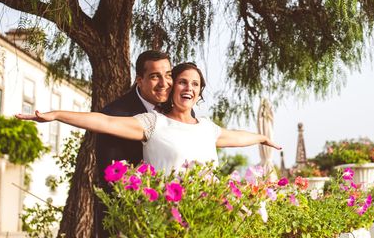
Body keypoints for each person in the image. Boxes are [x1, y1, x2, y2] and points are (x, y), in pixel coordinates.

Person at [17, 62, 281, 173]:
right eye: (182, 82)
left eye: (195, 84)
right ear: (172, 87)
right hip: (165, 220)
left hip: (207, 219)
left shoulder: (208, 129)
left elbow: (238, 137)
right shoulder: (152, 123)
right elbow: (104, 122)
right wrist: (56, 115)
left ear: (199, 93)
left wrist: (262, 137)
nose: (189, 88)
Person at [95, 50, 173, 188]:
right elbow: (111, 175)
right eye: (155, 77)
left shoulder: (177, 108)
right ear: (140, 81)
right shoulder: (115, 115)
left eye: (168, 75)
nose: (163, 83)